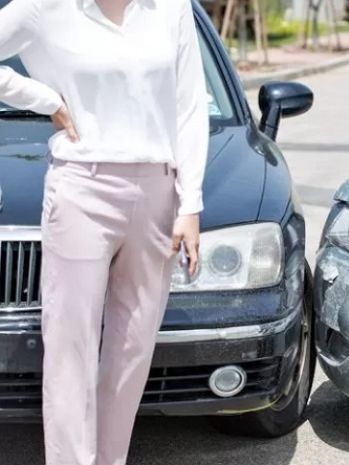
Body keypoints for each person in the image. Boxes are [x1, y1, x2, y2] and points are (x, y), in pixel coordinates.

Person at [0, 0, 208, 464]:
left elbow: (190, 105)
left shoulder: (171, 8)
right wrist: (44, 99)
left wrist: (189, 204)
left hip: (159, 190)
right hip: (81, 188)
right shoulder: (43, 7)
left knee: (133, 349)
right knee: (69, 347)